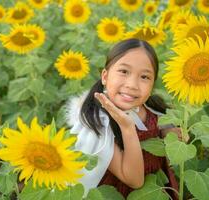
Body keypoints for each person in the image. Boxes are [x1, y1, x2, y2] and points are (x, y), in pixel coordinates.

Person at [65, 38, 179, 199]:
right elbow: (134, 180)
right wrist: (127, 127)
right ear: (105, 76)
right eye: (124, 71)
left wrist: (168, 132)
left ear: (153, 84)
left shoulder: (150, 107)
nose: (132, 84)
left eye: (145, 77)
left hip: (156, 189)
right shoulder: (99, 124)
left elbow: (160, 121)